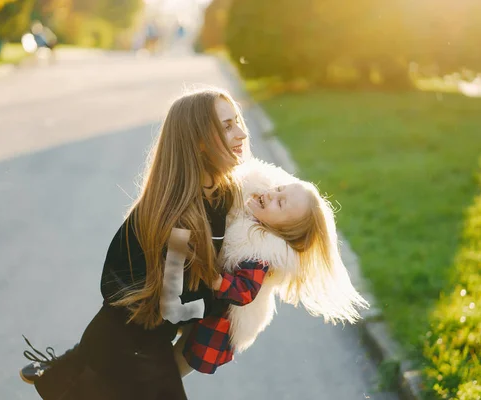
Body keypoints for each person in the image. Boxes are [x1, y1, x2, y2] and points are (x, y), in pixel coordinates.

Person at [19, 87, 250, 399]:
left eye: (237, 121)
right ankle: (69, 374)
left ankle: (65, 372)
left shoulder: (222, 196)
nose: (241, 134)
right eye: (226, 126)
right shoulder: (177, 221)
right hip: (130, 347)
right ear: (198, 142)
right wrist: (225, 297)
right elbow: (175, 310)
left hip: (142, 341)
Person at [173, 158, 369, 376]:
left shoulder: (262, 252)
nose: (271, 195)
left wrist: (216, 280)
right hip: (199, 301)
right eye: (278, 189)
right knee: (166, 345)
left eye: (280, 203)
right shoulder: (250, 214)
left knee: (178, 363)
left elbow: (245, 291)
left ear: (284, 230)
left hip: (216, 317)